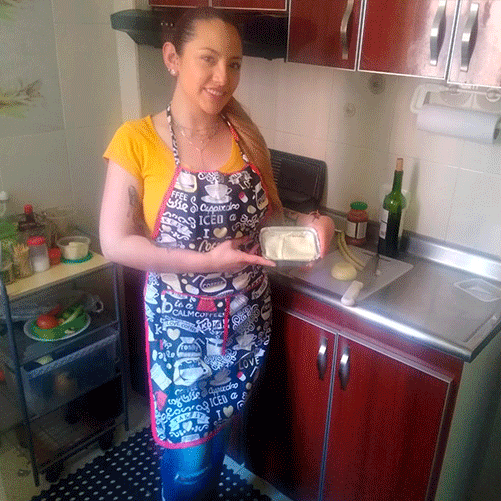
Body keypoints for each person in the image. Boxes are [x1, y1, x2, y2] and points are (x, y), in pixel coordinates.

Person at [99, 6, 335, 500]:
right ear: (172, 58)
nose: (223, 77)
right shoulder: (136, 140)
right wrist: (207, 263)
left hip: (245, 322)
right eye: (208, 59)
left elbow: (267, 222)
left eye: (234, 64)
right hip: (180, 332)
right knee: (190, 465)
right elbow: (115, 242)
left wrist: (311, 229)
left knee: (215, 442)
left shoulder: (245, 137)